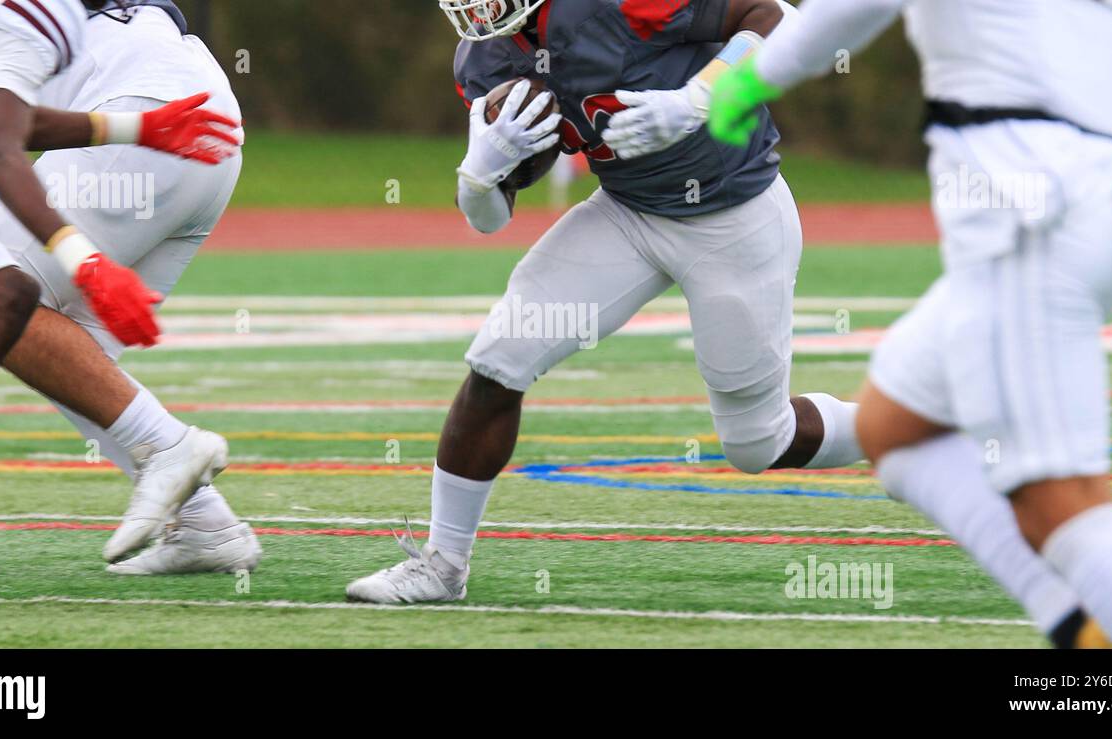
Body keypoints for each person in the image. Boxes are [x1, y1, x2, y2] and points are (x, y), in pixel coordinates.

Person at [708, 0, 1112, 647]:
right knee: (894, 427)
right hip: (1101, 202)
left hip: (1031, 211)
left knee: (1066, 505)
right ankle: (1082, 625)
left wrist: (754, 77)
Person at [347, 0, 865, 604]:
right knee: (499, 360)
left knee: (757, 443)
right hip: (627, 213)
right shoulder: (486, 58)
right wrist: (478, 175)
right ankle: (442, 566)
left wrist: (698, 99)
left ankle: (901, 431)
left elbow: (776, 16)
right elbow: (488, 220)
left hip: (735, 215)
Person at [0, 0, 240, 597]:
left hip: (145, 116)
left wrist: (87, 249)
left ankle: (171, 453)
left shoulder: (15, 17)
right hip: (212, 129)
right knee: (40, 340)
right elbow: (3, 128)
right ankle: (203, 520)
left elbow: (1, 141)